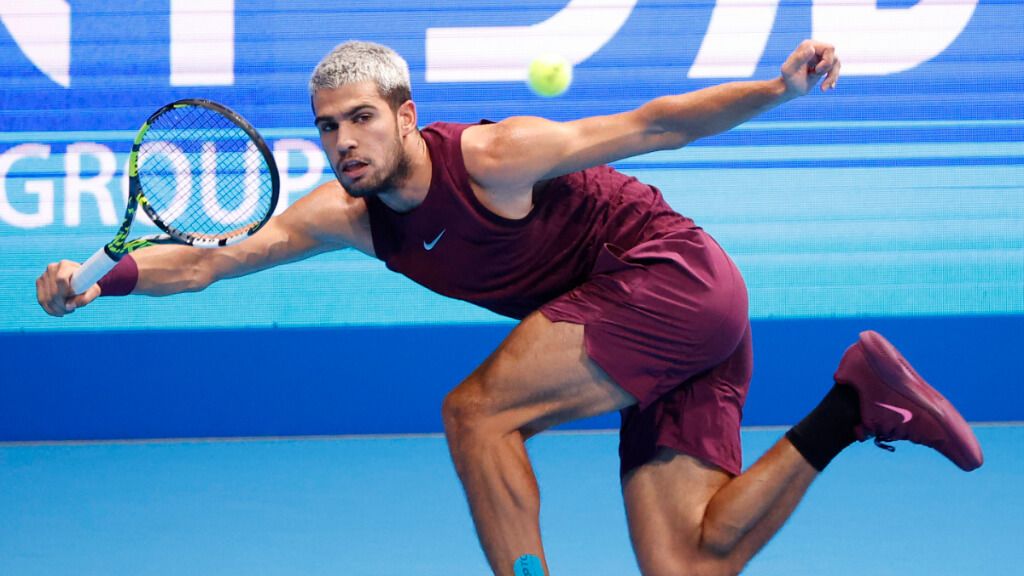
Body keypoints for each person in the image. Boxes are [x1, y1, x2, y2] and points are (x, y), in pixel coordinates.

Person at [37, 40, 983, 576]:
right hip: (673, 332)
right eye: (327, 126)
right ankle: (854, 403)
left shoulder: (492, 157)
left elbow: (652, 123)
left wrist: (776, 89)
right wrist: (93, 279)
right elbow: (210, 264)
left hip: (668, 276)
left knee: (476, 412)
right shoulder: (347, 216)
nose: (342, 140)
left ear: (406, 113)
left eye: (361, 117)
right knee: (689, 564)